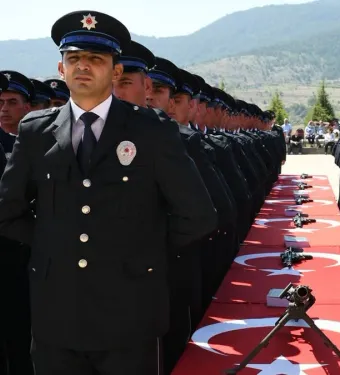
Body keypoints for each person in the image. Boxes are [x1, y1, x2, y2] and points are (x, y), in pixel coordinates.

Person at [0, 11, 218, 375]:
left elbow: (198, 215)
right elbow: (8, 210)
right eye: (74, 59)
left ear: (116, 72)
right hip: (57, 313)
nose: (83, 67)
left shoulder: (151, 131)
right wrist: (52, 244)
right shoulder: (36, 132)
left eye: (96, 60)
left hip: (129, 313)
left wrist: (137, 251)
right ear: (61, 68)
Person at [0, 70, 35, 375]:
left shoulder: (28, 146)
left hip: (16, 262)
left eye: (12, 101)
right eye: (1, 102)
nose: (3, 108)